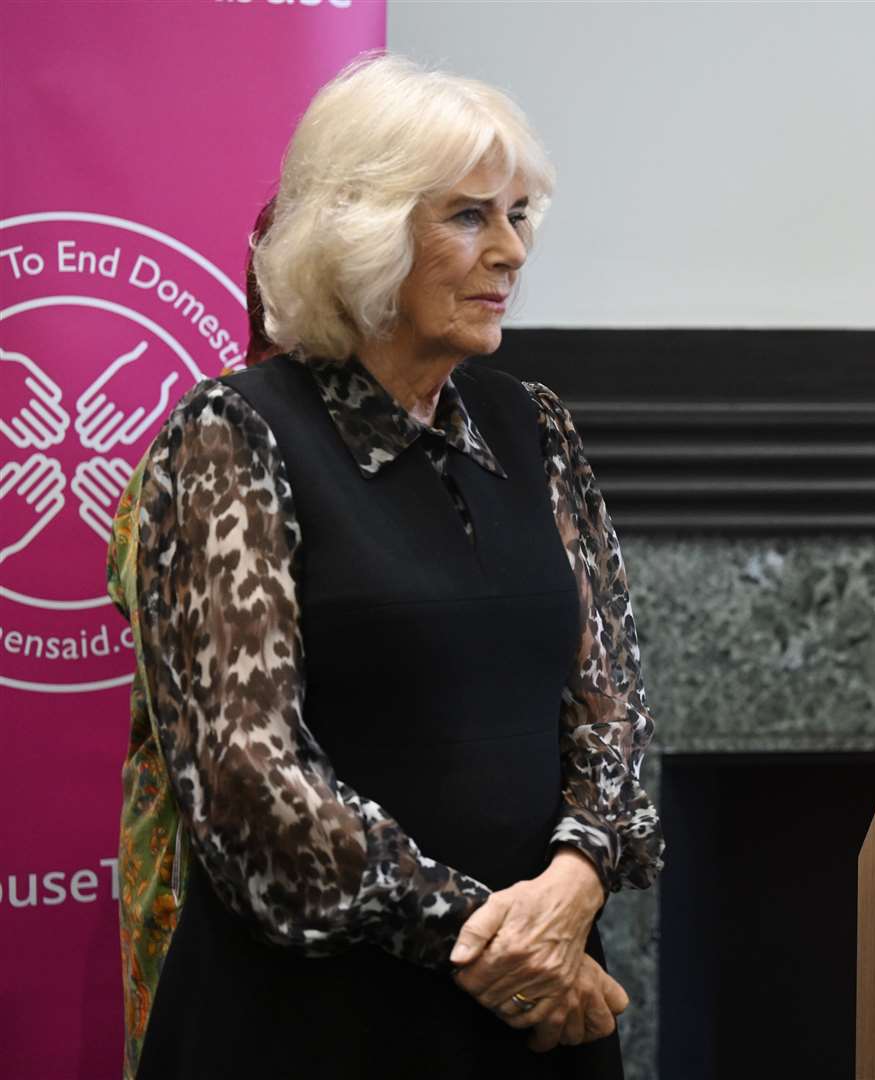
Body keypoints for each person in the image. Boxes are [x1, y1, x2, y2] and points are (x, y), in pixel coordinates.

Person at [106, 55, 663, 1079]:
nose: (509, 252)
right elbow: (243, 778)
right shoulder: (232, 437)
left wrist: (578, 879)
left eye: (519, 215)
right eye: (467, 218)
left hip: (536, 1020)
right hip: (318, 1025)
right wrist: (487, 943)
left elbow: (614, 698)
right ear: (361, 230)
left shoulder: (533, 425)